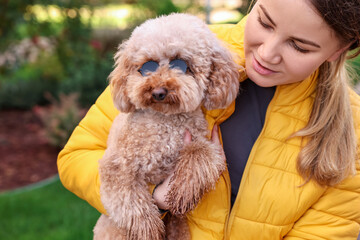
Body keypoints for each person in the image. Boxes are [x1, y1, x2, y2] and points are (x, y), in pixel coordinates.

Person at [57, 0, 360, 238]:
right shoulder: (185, 44)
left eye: (298, 45)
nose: (267, 54)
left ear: (341, 50)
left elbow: (326, 231)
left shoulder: (352, 128)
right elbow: (77, 155)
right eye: (265, 22)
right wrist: (154, 198)